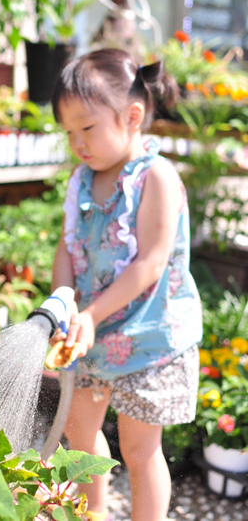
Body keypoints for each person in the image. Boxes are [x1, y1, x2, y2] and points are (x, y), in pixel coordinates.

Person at [49, 49, 202, 521]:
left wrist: (91, 315)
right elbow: (66, 248)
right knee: (79, 435)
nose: (78, 142)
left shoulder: (155, 177)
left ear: (132, 116)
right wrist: (62, 301)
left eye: (88, 128)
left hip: (149, 335)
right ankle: (91, 511)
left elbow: (151, 262)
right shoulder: (81, 181)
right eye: (69, 131)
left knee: (139, 449)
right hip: (91, 333)